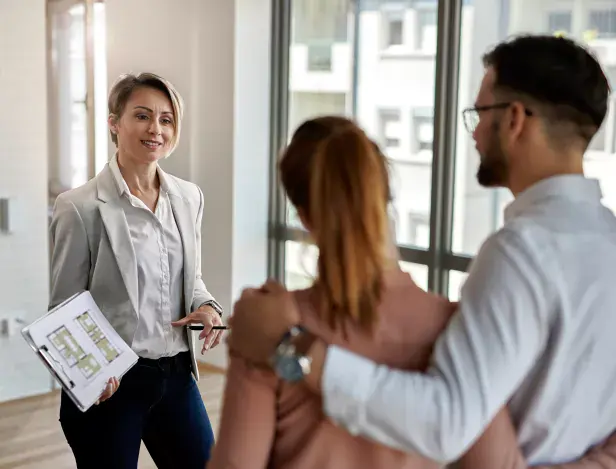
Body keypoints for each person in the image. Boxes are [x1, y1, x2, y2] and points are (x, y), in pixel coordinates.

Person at [227, 34, 616, 466]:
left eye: (479, 114)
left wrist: (292, 348)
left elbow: (447, 425)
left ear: (515, 120)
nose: (475, 134)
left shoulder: (519, 254)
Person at [49, 72, 223, 469]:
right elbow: (65, 310)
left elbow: (190, 279)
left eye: (166, 119)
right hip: (112, 386)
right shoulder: (80, 207)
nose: (155, 129)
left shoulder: (189, 197)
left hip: (176, 376)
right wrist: (91, 375)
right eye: (142, 116)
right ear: (115, 123)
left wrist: (209, 308)